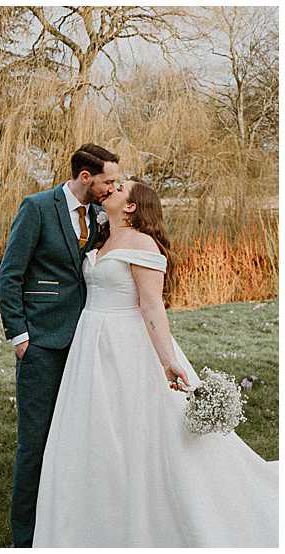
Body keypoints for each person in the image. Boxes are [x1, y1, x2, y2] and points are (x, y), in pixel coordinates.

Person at [33, 180, 277, 546]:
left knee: (137, 431)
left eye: (118, 190)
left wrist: (168, 361)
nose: (109, 191)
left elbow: (151, 307)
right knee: (93, 430)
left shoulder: (142, 245)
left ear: (131, 207)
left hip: (127, 346)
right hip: (90, 345)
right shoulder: (102, 238)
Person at [0, 143, 120, 547]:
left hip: (86, 343)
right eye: (108, 181)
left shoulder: (102, 214)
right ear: (86, 177)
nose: (112, 187)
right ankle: (26, 537)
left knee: (77, 440)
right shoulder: (36, 208)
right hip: (42, 345)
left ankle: (68, 526)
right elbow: (9, 274)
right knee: (35, 442)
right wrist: (20, 336)